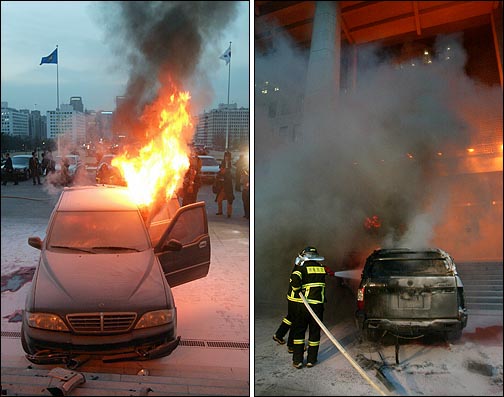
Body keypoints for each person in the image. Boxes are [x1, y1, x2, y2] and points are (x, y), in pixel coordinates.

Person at [274, 247, 336, 357]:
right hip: (299, 298)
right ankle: (291, 345)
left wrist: (323, 269)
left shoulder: (300, 265)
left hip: (294, 298)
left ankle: (280, 336)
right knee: (296, 321)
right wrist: (323, 269)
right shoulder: (302, 267)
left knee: (291, 318)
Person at [288, 246, 333, 369]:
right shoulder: (320, 268)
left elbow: (294, 280)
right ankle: (311, 360)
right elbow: (327, 273)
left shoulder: (301, 268)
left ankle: (297, 360)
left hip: (304, 306)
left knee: (299, 332)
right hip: (318, 306)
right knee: (314, 333)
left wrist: (297, 289)